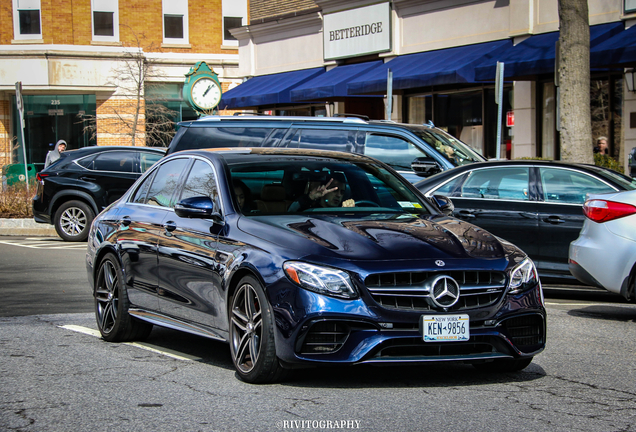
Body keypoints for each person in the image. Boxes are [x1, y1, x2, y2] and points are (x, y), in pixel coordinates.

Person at [289, 173, 354, 211]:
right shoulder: (310, 210)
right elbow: (291, 212)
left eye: (342, 192)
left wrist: (347, 212)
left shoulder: (344, 209)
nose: (339, 195)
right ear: (323, 189)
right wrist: (309, 197)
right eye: (334, 190)